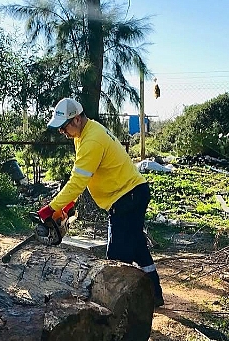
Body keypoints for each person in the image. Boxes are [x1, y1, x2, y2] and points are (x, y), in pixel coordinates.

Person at [37, 97, 164, 307]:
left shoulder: (91, 140)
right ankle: (154, 295)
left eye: (64, 127)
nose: (62, 132)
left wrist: (52, 209)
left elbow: (77, 181)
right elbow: (84, 176)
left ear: (76, 119)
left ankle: (119, 308)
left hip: (127, 197)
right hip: (130, 194)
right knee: (138, 246)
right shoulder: (84, 134)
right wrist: (68, 205)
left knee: (116, 257)